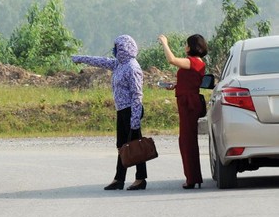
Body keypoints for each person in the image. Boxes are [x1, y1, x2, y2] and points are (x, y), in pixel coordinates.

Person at [72, 34, 146, 191]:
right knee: (123, 145)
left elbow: (137, 94)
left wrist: (135, 120)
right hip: (122, 110)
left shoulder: (132, 67)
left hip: (131, 110)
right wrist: (80, 58)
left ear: (124, 48)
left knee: (134, 145)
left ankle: (138, 179)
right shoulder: (119, 64)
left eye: (117, 47)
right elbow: (100, 61)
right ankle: (120, 179)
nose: (114, 49)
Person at [158, 34, 208, 189]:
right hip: (188, 101)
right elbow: (190, 81)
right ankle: (193, 177)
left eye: (186, 44)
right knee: (188, 140)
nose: (185, 47)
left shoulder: (192, 62)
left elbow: (171, 60)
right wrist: (176, 85)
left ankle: (192, 178)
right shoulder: (198, 63)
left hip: (188, 104)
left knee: (187, 141)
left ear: (192, 46)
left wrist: (165, 43)